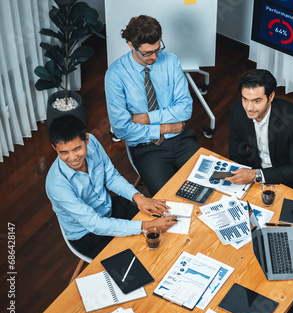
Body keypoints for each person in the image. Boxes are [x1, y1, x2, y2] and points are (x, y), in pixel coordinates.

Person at [46, 115, 177, 259]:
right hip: (89, 235)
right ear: (54, 148)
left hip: (110, 209)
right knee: (142, 258)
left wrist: (138, 197)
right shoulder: (56, 185)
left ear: (87, 140)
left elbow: (111, 177)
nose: (72, 158)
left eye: (77, 149)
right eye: (63, 152)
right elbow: (95, 224)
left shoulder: (93, 143)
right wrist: (146, 225)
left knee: (166, 236)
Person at [105, 15, 200, 196]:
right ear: (132, 45)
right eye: (148, 53)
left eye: (158, 49)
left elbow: (185, 108)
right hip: (147, 147)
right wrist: (165, 127)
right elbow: (121, 129)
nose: (155, 56)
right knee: (168, 201)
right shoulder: (115, 75)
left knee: (208, 186)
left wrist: (147, 118)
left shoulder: (170, 61)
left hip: (180, 138)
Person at [227, 69, 293, 201]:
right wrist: (245, 181)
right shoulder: (238, 110)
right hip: (258, 180)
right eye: (245, 99)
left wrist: (256, 175)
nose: (249, 107)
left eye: (257, 101)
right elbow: (235, 153)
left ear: (271, 96)